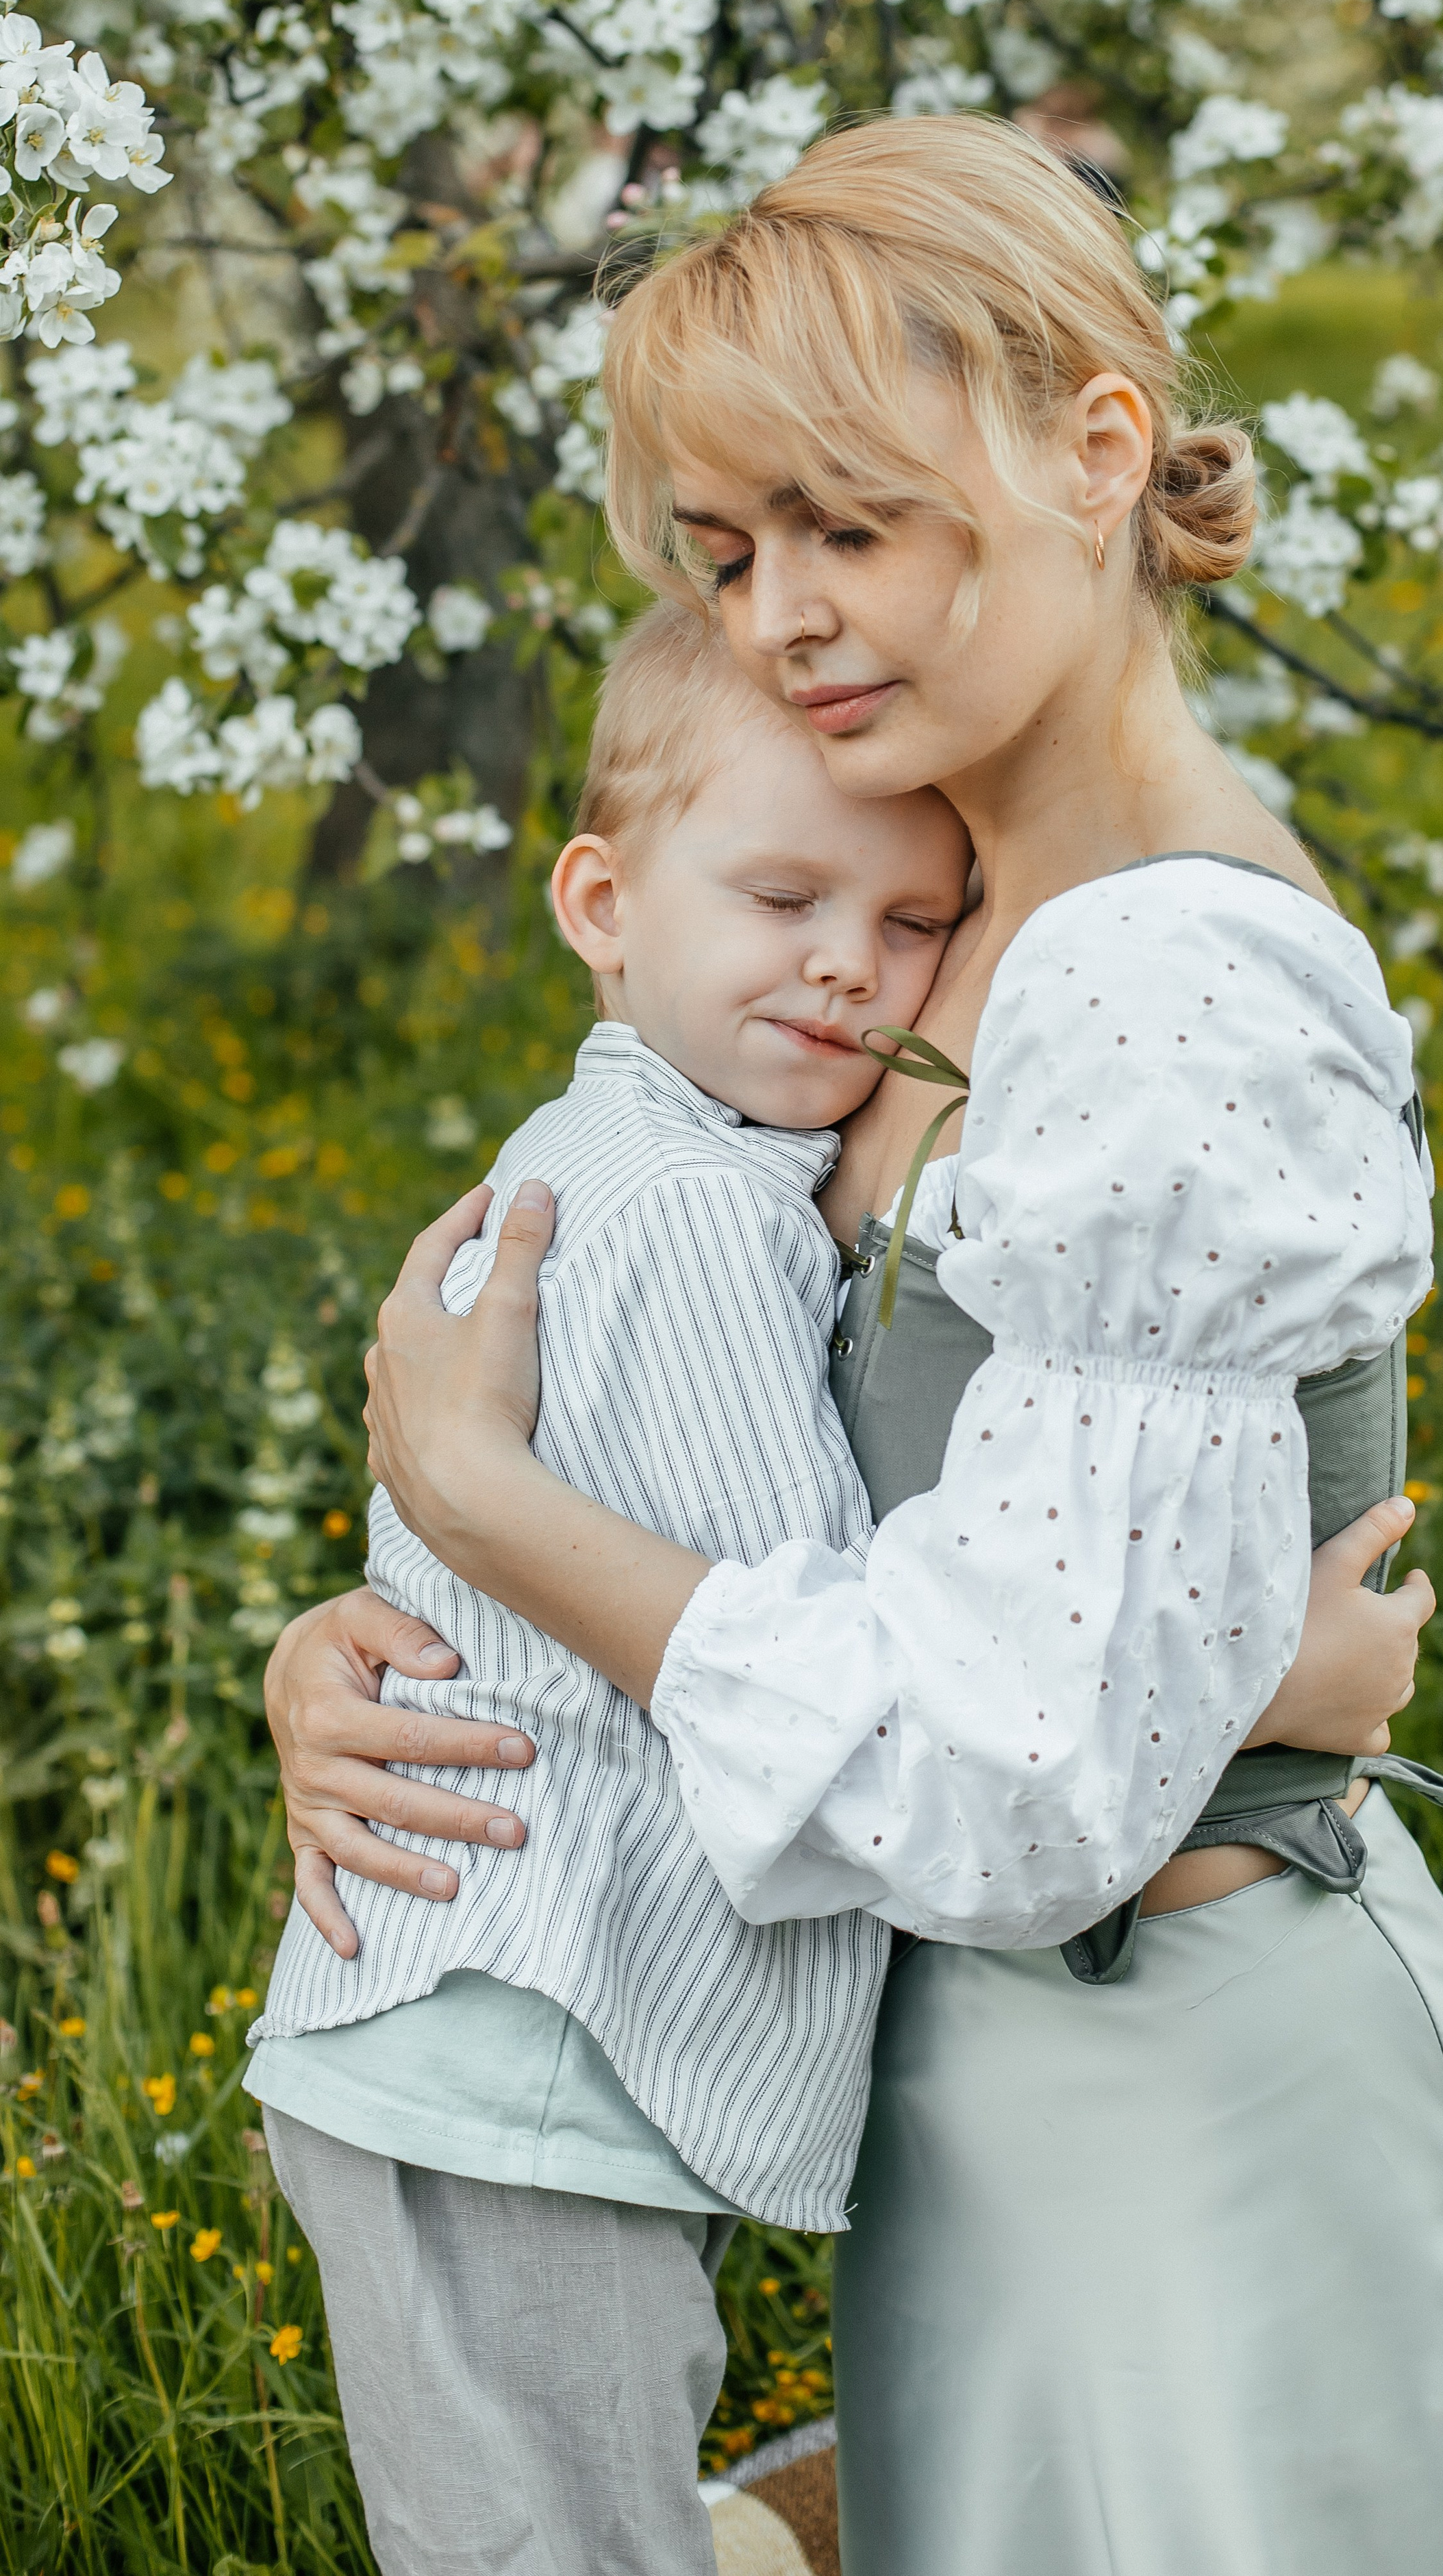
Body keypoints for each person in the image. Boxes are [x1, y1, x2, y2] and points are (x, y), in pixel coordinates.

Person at [268, 116, 1443, 2575]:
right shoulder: (924, 905)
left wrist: (506, 1507)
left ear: (1097, 449)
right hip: (978, 2126)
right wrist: (401, 1627)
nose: (786, 616)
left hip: (1211, 2134)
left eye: (852, 521)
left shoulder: (1171, 984)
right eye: (728, 551)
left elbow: (1033, 1770)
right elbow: (836, 1514)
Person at [246, 599, 974, 2576]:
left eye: (914, 923)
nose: (848, 961)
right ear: (602, 899)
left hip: (512, 2039)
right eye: (783, 893)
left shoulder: (672, 1158)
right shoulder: (676, 1218)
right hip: (514, 2047)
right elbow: (801, 1642)